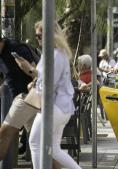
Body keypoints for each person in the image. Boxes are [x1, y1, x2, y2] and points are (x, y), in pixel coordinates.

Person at [17, 20, 81, 169]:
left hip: (54, 106)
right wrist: (34, 75)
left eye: (40, 36)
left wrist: (31, 72)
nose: (37, 40)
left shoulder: (55, 55)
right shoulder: (55, 53)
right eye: (36, 36)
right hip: (60, 107)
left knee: (34, 142)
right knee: (54, 149)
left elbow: (49, 84)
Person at [0, 37, 38, 160]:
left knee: (4, 133)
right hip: (27, 99)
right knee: (39, 144)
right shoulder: (1, 54)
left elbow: (36, 71)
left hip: (26, 98)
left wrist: (33, 81)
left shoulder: (16, 49)